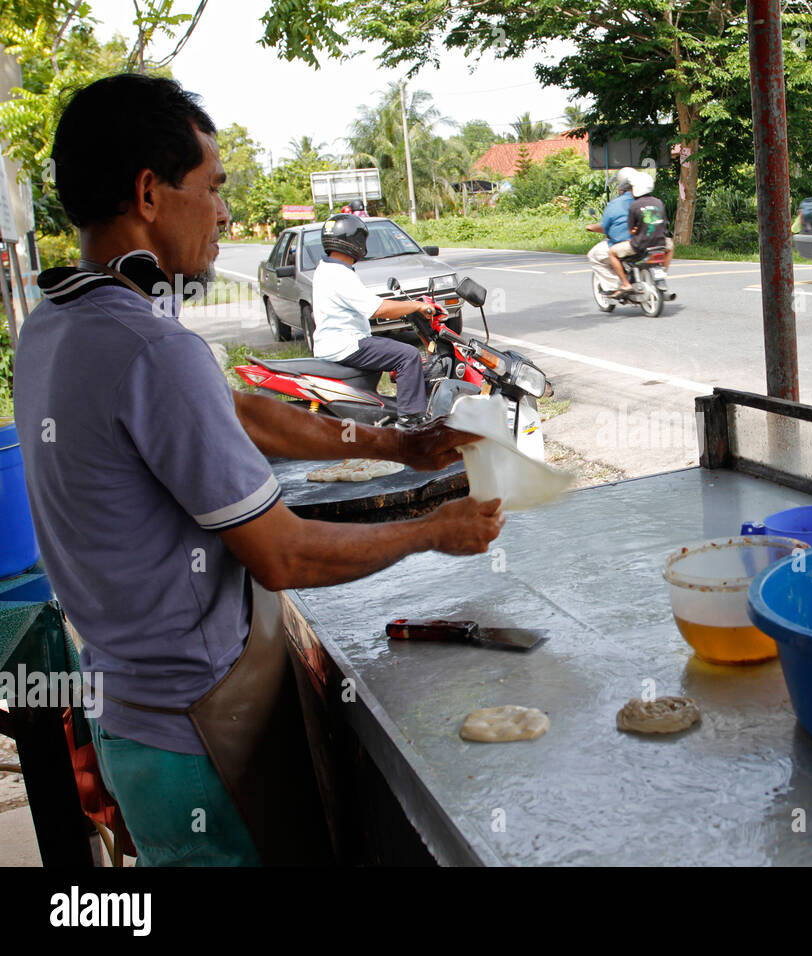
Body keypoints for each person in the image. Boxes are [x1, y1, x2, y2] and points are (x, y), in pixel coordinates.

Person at [12, 73, 504, 866]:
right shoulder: (149, 347)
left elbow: (237, 412)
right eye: (212, 189)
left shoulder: (58, 321)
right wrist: (434, 529)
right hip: (199, 732)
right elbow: (283, 554)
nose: (225, 216)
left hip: (132, 719)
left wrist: (395, 445)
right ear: (148, 191)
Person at [310, 213, 434, 429]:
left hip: (333, 342)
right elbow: (377, 309)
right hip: (346, 344)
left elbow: (371, 303)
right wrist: (416, 306)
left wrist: (405, 306)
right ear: (354, 242)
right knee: (408, 355)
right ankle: (410, 422)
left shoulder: (326, 268)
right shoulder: (339, 273)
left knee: (392, 351)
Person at [608, 171, 673, 293]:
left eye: (632, 188)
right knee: (671, 246)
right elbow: (663, 222)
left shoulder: (634, 205)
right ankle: (663, 272)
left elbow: (631, 231)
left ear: (636, 189)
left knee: (612, 253)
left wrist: (635, 231)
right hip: (661, 243)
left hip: (641, 244)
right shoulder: (658, 202)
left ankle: (626, 284)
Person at [585, 166, 638, 298]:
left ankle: (615, 286)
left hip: (625, 243)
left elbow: (605, 226)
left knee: (594, 255)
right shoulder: (647, 199)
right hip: (648, 240)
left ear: (621, 187)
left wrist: (591, 227)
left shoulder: (615, 204)